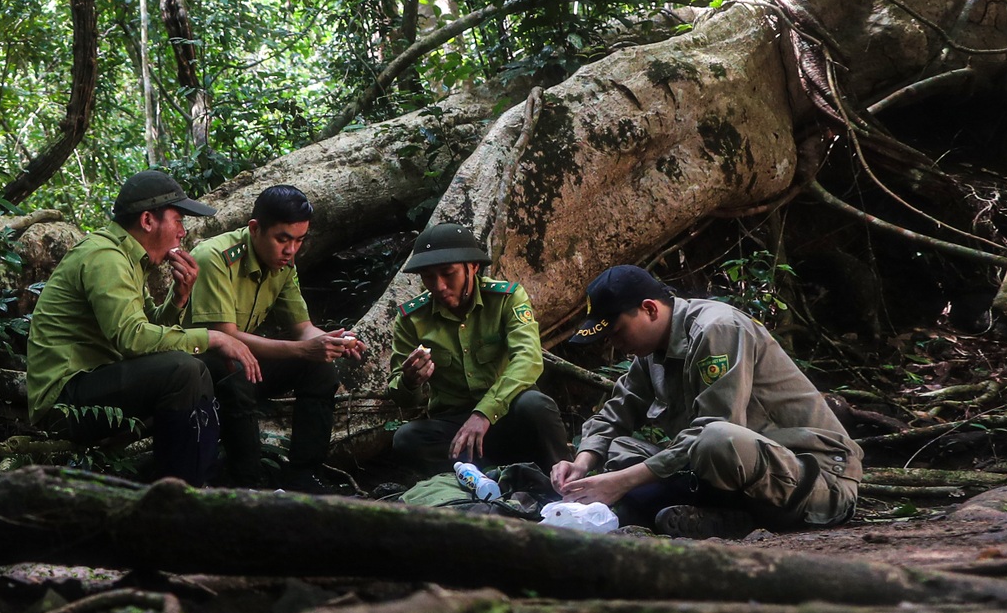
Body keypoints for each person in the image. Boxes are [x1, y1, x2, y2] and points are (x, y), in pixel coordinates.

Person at [552, 265, 862, 538]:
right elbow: (615, 413)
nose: (616, 345)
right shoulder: (651, 355)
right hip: (747, 481)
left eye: (618, 332)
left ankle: (718, 513)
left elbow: (717, 427)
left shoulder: (717, 328)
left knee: (716, 437)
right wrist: (582, 464)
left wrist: (621, 482)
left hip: (815, 479)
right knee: (622, 448)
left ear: (650, 309)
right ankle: (728, 520)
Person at [25, 169, 262, 484]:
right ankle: (180, 497)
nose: (182, 232)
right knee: (184, 370)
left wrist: (180, 297)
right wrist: (211, 336)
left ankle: (247, 481)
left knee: (217, 366)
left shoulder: (130, 258)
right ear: (148, 221)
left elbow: (150, 332)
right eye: (178, 220)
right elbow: (133, 339)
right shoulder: (105, 257)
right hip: (65, 403)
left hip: (101, 385)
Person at [186, 185, 364, 487]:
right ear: (255, 229)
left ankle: (305, 475)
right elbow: (224, 336)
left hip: (243, 359)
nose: (291, 250)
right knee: (235, 373)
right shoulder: (214, 257)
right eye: (282, 239)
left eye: (299, 240)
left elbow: (302, 327)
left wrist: (330, 341)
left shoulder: (284, 264)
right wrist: (305, 350)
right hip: (200, 366)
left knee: (319, 369)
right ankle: (248, 483)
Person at [388, 222, 569, 478]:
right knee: (407, 439)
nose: (439, 286)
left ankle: (564, 483)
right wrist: (409, 381)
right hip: (456, 428)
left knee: (535, 405)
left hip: (506, 413)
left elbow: (528, 359)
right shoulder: (411, 319)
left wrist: (484, 413)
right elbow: (400, 395)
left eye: (448, 273)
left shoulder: (507, 298)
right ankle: (472, 486)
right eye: (428, 276)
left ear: (472, 267)